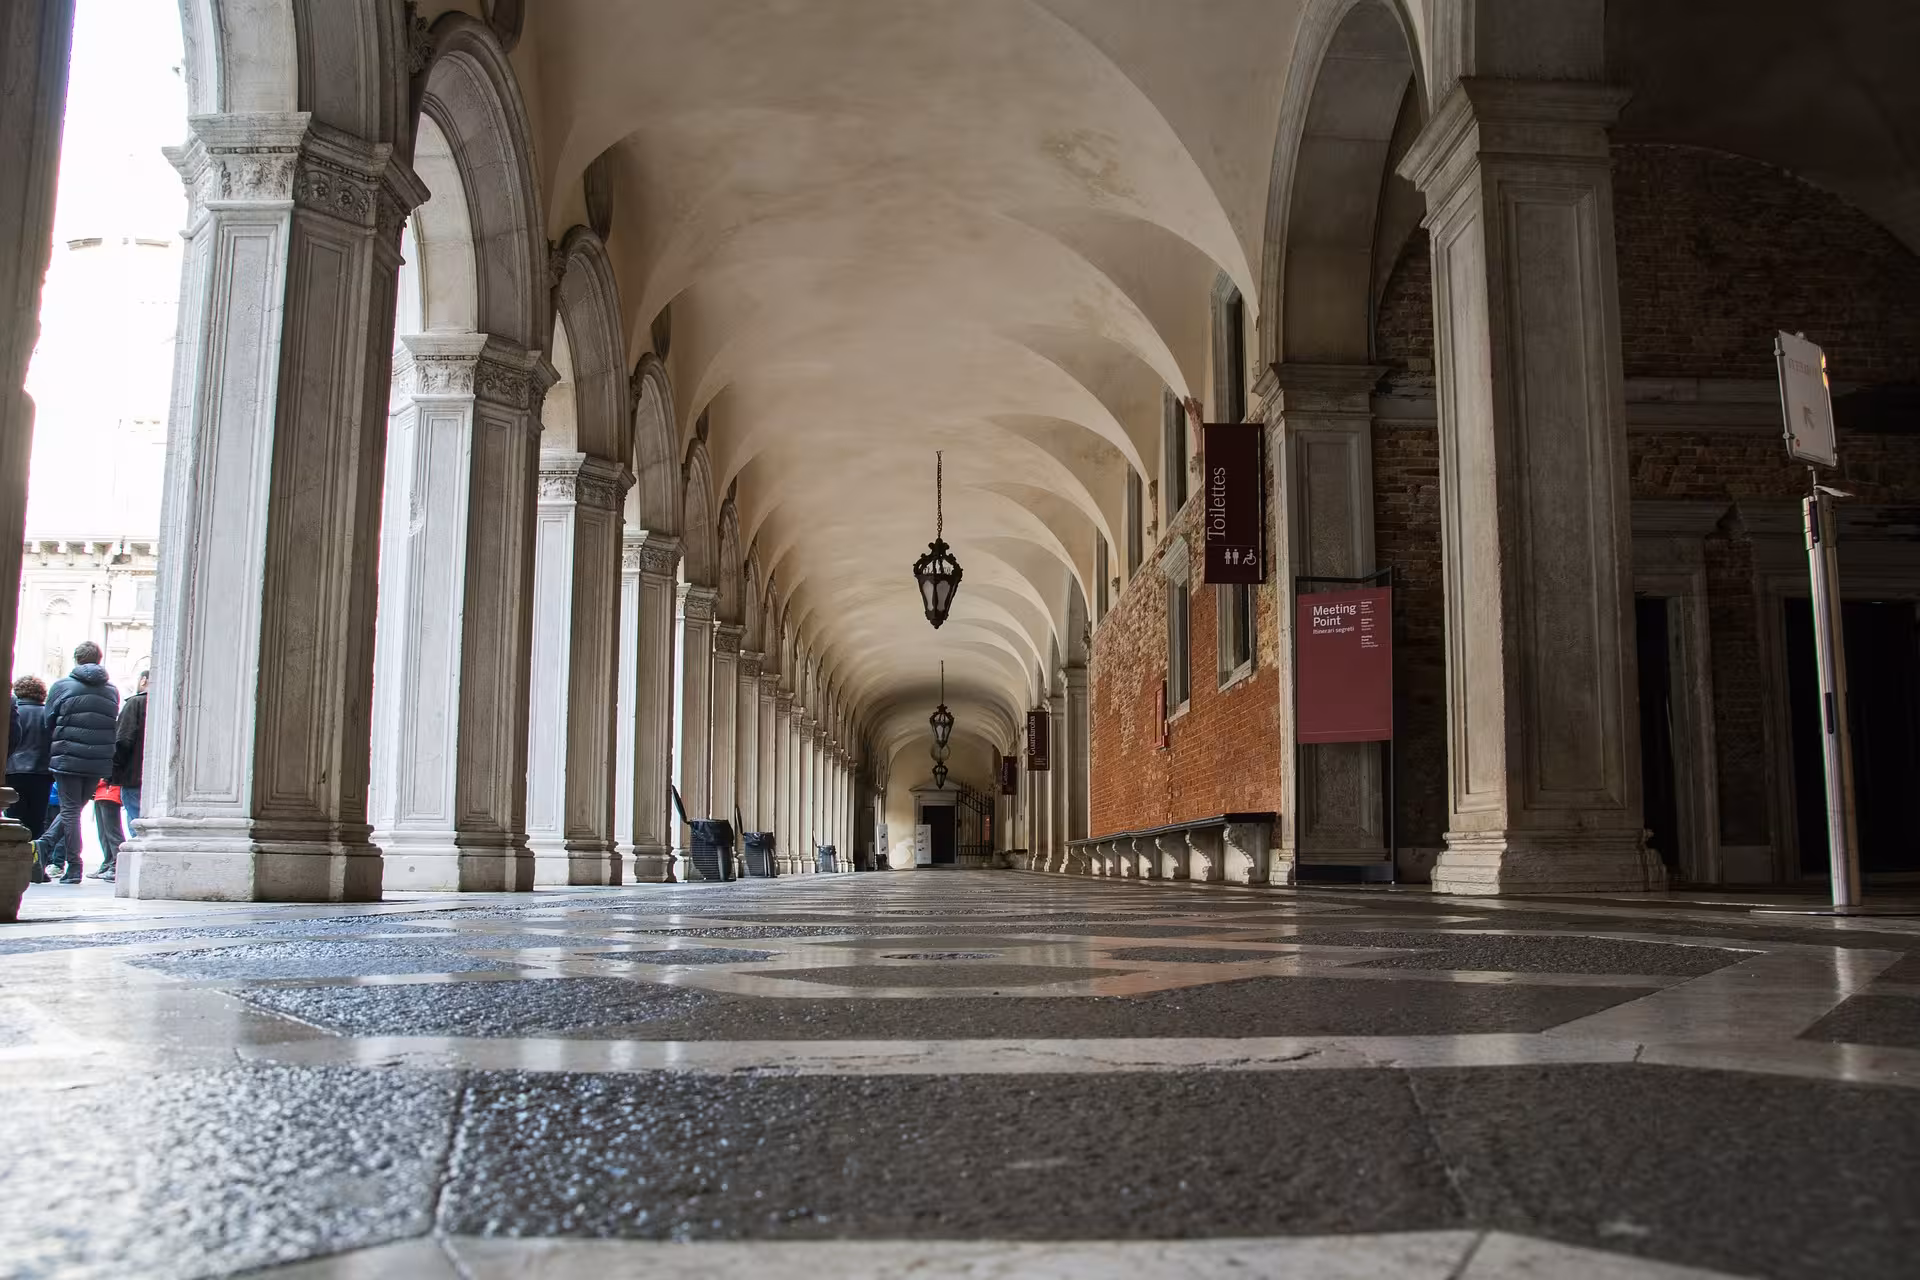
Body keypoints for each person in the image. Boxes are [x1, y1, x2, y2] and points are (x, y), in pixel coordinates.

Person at [43, 642, 120, 884]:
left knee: (69, 810)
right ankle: (43, 846)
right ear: (99, 659)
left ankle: (74, 867)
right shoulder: (112, 691)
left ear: (76, 659)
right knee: (74, 809)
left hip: (67, 757)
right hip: (97, 763)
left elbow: (48, 721)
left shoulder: (61, 686)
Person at [8, 675, 53, 882]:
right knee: (37, 822)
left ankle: (11, 863)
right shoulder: (47, 713)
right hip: (41, 773)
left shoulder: (14, 710)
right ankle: (35, 867)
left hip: (14, 771)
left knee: (15, 820)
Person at [113, 670, 147, 832]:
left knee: (136, 826)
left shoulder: (135, 703)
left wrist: (115, 769)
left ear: (144, 681)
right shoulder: (171, 704)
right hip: (158, 780)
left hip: (134, 776)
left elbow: (122, 740)